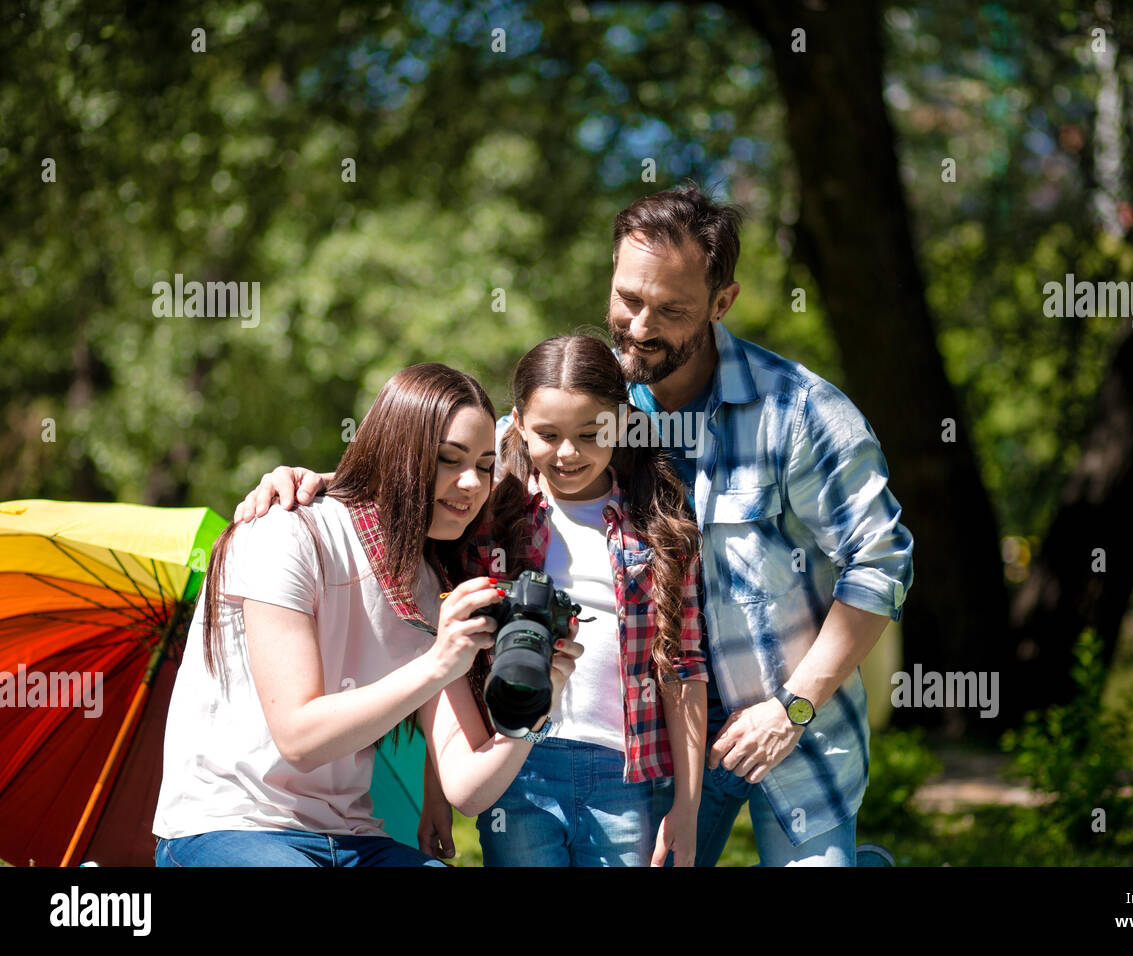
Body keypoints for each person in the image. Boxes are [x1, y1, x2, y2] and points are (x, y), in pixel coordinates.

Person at [233, 183, 914, 867]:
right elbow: (449, 465)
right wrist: (326, 483)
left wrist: (793, 707)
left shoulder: (800, 414)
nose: (641, 327)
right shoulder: (592, 403)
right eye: (628, 298)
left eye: (670, 309)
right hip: (656, 744)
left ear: (722, 302)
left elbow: (880, 564)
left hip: (784, 725)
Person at [152, 363, 581, 866]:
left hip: (352, 838)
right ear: (398, 455)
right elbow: (300, 737)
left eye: (486, 465)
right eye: (449, 459)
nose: (473, 483)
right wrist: (441, 661)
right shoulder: (285, 533)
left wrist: (536, 710)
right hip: (230, 826)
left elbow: (467, 785)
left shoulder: (428, 588)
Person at [424, 334, 707, 866]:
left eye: (589, 432)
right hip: (514, 767)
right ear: (518, 426)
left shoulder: (658, 527)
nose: (569, 452)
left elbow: (683, 667)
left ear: (621, 421)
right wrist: (435, 790)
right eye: (548, 435)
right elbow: (452, 666)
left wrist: (686, 806)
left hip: (624, 773)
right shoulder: (494, 516)